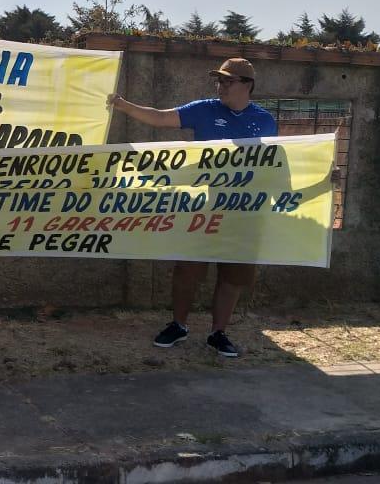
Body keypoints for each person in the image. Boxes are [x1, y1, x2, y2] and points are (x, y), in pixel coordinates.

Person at [106, 57, 277, 358]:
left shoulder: (265, 121)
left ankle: (218, 333)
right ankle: (179, 325)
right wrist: (123, 105)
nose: (220, 86)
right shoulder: (204, 109)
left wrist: (325, 176)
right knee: (187, 270)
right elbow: (159, 118)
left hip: (244, 211)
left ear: (247, 86)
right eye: (219, 81)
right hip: (202, 207)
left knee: (232, 277)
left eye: (227, 81)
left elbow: (278, 163)